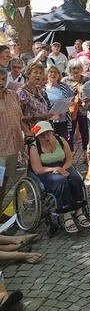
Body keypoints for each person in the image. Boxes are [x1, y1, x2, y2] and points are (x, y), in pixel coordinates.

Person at [28, 121, 89, 234]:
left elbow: (70, 160)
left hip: (63, 165)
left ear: (52, 132)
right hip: (46, 170)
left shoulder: (60, 140)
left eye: (48, 133)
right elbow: (37, 169)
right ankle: (66, 214)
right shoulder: (34, 147)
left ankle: (79, 210)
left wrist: (63, 169)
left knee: (75, 178)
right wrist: (54, 170)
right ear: (38, 137)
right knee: (60, 181)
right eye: (42, 135)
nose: (46, 137)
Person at [0, 68, 31, 221]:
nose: (1, 82)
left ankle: (0, 212)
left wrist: (28, 132)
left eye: (4, 79)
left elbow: (20, 118)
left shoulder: (13, 95)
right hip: (0, 149)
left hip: (12, 146)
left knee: (7, 180)